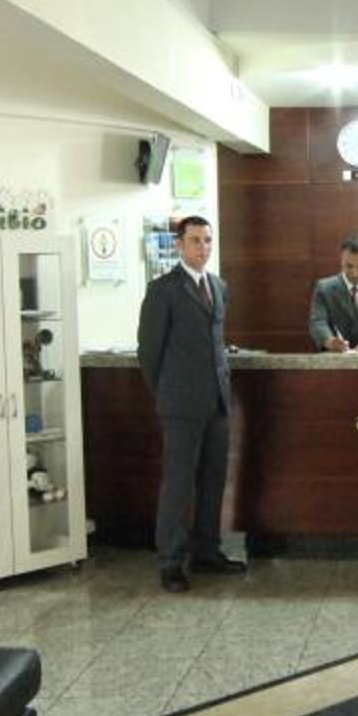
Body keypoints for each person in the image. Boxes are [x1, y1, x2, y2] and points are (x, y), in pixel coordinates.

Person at [136, 215, 243, 592]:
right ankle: (171, 561)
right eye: (196, 240)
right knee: (179, 484)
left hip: (217, 400)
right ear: (179, 245)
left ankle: (207, 551)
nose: (203, 247)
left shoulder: (218, 286)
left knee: (213, 479)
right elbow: (149, 352)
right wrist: (166, 392)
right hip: (181, 403)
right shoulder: (163, 290)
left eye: (208, 240)